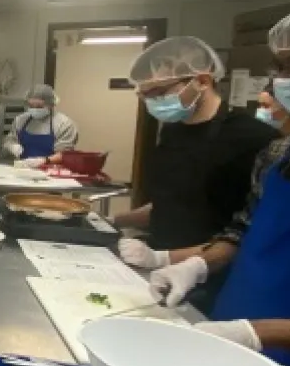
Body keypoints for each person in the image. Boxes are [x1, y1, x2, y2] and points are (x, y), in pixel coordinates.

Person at [141, 10, 290, 366]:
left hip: (284, 353)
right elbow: (241, 230)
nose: (285, 79)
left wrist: (255, 333)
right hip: (230, 319)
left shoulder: (250, 138)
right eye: (282, 67)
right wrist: (195, 266)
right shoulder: (280, 152)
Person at [114, 37, 277, 309]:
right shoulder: (173, 132)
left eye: (160, 92)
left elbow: (245, 230)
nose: (153, 102)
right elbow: (171, 203)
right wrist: (111, 220)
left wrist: (165, 258)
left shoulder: (252, 138)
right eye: (146, 95)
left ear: (202, 81)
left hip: (213, 280)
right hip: (159, 272)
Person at [3, 83, 79, 163]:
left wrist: (43, 161)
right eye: (31, 106)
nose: (35, 109)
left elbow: (64, 154)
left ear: (51, 105)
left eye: (39, 106)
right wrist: (12, 146)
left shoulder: (64, 124)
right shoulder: (20, 120)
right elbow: (10, 140)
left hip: (52, 170)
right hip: (23, 167)